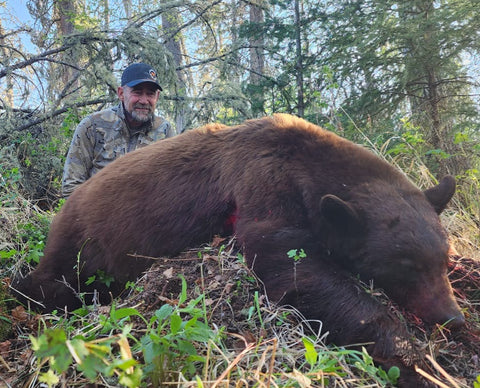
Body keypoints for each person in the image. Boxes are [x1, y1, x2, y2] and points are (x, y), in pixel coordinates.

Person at [61, 62, 175, 198]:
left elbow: (172, 187)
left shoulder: (165, 132)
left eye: (150, 94)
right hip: (98, 213)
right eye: (137, 92)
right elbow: (71, 187)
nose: (144, 100)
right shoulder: (92, 125)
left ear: (157, 97)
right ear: (121, 93)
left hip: (148, 215)